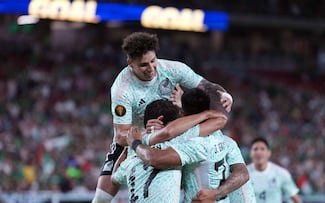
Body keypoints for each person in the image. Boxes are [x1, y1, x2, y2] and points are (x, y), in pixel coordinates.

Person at [92, 32, 233, 203]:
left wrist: (224, 94)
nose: (151, 68)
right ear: (130, 63)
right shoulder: (122, 90)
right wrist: (146, 133)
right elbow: (122, 136)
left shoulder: (173, 69)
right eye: (144, 65)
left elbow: (205, 85)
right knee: (101, 198)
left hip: (173, 132)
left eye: (153, 61)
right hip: (138, 136)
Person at [124, 88, 253, 202]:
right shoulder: (225, 140)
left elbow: (155, 158)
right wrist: (216, 194)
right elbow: (243, 174)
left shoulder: (187, 143)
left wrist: (145, 137)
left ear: (182, 114)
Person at [112, 98, 227, 202]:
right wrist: (205, 114)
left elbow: (115, 176)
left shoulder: (134, 149)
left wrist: (130, 145)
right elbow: (220, 119)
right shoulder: (180, 140)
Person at [247, 137, 303, 203]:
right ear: (250, 153)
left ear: (269, 153)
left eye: (262, 149)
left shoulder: (281, 173)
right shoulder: (244, 174)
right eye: (255, 149)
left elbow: (296, 198)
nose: (259, 152)